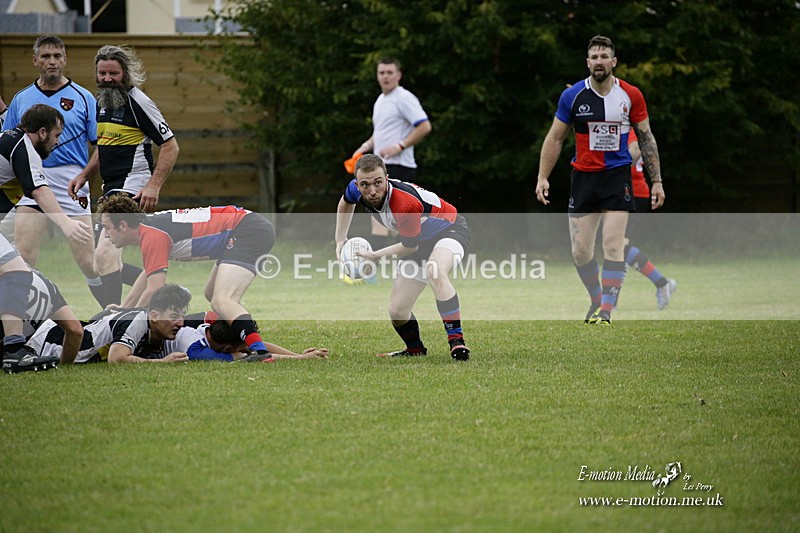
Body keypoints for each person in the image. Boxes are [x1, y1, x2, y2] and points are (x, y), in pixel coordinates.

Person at [535, 35, 665, 324]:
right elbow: (555, 138)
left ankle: (606, 312)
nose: (599, 61)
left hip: (617, 177)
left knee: (613, 245)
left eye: (604, 56)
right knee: (580, 250)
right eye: (594, 57)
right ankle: (596, 298)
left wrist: (656, 181)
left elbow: (646, 138)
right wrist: (543, 177)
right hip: (583, 178)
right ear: (587, 62)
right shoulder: (573, 96)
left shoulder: (631, 95)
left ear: (613, 61)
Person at [96, 195, 275, 360]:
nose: (105, 234)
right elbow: (147, 276)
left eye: (107, 227)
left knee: (222, 300)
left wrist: (131, 321)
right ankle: (241, 341)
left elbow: (155, 287)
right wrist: (125, 309)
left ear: (123, 226)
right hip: (246, 227)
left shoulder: (151, 235)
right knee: (211, 294)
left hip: (247, 230)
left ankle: (259, 351)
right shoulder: (149, 229)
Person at [68, 44, 179, 307]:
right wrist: (85, 175)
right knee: (104, 260)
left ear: (126, 73)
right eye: (102, 73)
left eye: (113, 73)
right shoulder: (102, 102)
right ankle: (158, 289)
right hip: (111, 188)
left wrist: (153, 186)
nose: (107, 79)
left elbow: (170, 146)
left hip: (132, 185)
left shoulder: (139, 102)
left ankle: (114, 321)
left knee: (104, 256)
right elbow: (103, 146)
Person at [335, 153, 471, 361]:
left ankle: (457, 342)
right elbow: (345, 202)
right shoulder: (356, 189)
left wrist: (375, 256)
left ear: (387, 178)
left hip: (449, 230)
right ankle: (415, 350)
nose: (372, 190)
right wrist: (340, 239)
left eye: (378, 183)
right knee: (398, 311)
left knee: (435, 270)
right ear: (357, 184)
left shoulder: (404, 204)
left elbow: (409, 246)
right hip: (418, 241)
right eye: (365, 185)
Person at [3, 35, 105, 306]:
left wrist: (84, 176)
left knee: (89, 261)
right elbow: (9, 142)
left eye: (57, 56)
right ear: (35, 60)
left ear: (65, 59)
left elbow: (101, 147)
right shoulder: (21, 98)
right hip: (32, 180)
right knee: (24, 256)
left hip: (72, 180)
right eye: (46, 56)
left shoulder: (84, 98)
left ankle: (111, 313)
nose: (52, 61)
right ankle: (24, 320)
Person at [0, 104, 92, 372]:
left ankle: (13, 348)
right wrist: (66, 223)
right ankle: (14, 350)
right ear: (42, 132)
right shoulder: (23, 146)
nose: (57, 141)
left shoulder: (9, 139)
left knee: (14, 272)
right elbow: (40, 191)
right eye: (56, 135)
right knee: (16, 272)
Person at [351, 57, 432, 251]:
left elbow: (424, 126)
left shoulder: (404, 98)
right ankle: (398, 258)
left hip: (400, 166)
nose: (385, 76)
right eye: (382, 73)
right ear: (377, 76)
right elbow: (380, 133)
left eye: (389, 72)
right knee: (387, 219)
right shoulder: (380, 100)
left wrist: (400, 146)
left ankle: (373, 263)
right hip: (382, 166)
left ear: (398, 75)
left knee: (385, 218)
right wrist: (364, 146)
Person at [616, 129, 676, 310]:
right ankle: (663, 283)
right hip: (620, 195)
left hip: (634, 194)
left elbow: (635, 150)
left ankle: (611, 303)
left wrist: (615, 167)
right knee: (618, 247)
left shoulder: (627, 128)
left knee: (620, 248)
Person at [0, 268, 83, 372]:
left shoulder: (9, 270)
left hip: (10, 342)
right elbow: (75, 330)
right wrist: (64, 366)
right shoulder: (49, 287)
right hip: (15, 345)